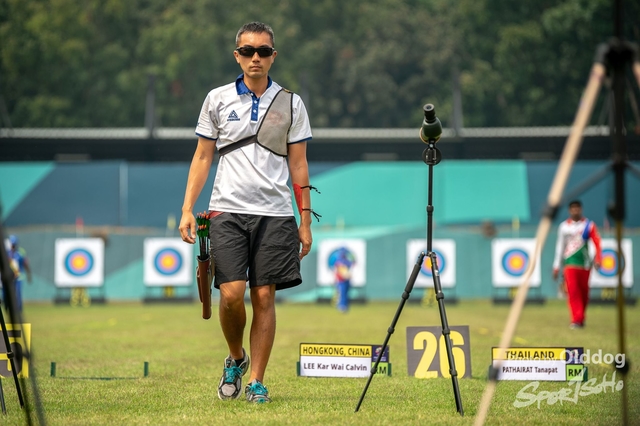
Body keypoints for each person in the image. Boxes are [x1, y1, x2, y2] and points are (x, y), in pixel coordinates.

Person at [179, 21, 316, 404]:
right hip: (227, 210)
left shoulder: (292, 103)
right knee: (230, 295)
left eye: (264, 51)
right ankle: (236, 357)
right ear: (237, 55)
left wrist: (305, 220)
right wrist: (188, 208)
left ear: (274, 55)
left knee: (265, 297)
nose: (256, 58)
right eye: (248, 51)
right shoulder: (217, 98)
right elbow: (203, 156)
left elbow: (300, 166)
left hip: (275, 214)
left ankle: (256, 380)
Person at [552, 200, 602, 329]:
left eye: (577, 208)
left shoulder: (588, 225)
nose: (575, 211)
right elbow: (560, 246)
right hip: (570, 263)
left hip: (585, 264)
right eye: (573, 208)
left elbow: (597, 242)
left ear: (581, 209)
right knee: (573, 292)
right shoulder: (564, 227)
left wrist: (598, 259)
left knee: (584, 293)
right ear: (569, 210)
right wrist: (556, 266)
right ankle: (576, 320)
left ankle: (581, 317)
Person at [3, 235, 32, 312]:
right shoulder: (6, 253)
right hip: (9, 277)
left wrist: (29, 274)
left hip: (18, 277)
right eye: (12, 244)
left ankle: (18, 312)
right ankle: (8, 309)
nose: (13, 246)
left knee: (17, 295)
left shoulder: (20, 252)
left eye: (14, 244)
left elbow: (25, 264)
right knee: (6, 294)